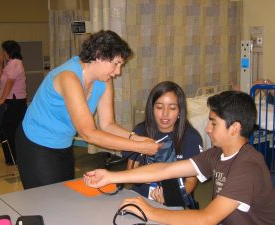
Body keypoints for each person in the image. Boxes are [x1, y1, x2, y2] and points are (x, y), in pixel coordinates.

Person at [84, 90, 275, 225]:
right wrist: (111, 176)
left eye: (213, 123)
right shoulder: (217, 154)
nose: (207, 128)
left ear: (235, 128)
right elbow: (165, 169)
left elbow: (206, 219)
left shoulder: (247, 167)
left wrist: (150, 211)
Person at [15, 30, 160, 189]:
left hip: (62, 144)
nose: (118, 71)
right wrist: (139, 147)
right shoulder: (68, 77)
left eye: (121, 65)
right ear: (99, 55)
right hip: (36, 143)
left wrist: (139, 139)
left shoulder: (103, 80)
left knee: (62, 195)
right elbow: (88, 133)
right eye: (116, 63)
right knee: (45, 200)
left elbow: (107, 124)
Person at [122, 81, 202, 208]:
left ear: (180, 110)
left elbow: (191, 181)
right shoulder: (140, 131)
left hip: (174, 196)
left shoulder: (191, 137)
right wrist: (147, 178)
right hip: (141, 193)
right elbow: (130, 173)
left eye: (172, 108)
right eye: (159, 107)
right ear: (152, 108)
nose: (165, 114)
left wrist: (169, 198)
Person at [0, 40, 27, 165]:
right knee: (8, 131)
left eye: (3, 51)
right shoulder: (10, 63)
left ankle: (13, 158)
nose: (2, 53)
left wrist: (2, 99)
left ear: (8, 51)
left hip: (14, 102)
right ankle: (12, 158)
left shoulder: (15, 63)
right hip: (13, 101)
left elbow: (10, 82)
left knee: (9, 131)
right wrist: (0, 64)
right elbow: (2, 79)